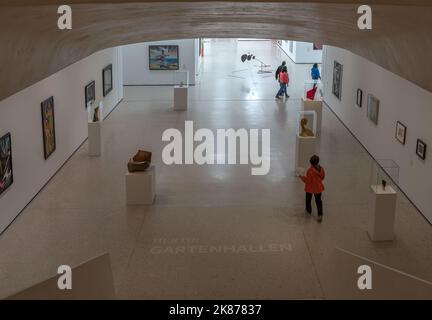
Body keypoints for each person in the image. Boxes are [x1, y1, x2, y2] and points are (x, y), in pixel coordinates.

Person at [299, 155, 325, 222]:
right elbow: (322, 177)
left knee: (308, 200)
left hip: (310, 188)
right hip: (318, 188)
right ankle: (320, 214)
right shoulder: (321, 169)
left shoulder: (310, 171)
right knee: (318, 201)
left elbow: (308, 181)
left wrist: (301, 177)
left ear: (310, 162)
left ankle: (308, 210)